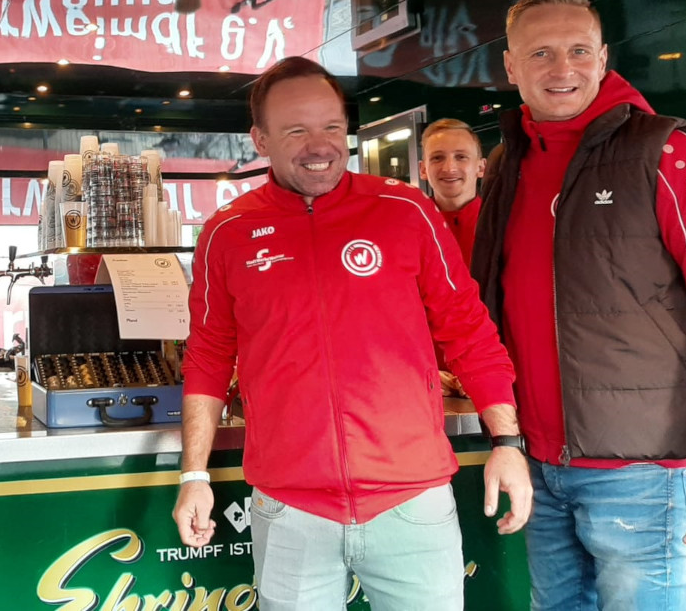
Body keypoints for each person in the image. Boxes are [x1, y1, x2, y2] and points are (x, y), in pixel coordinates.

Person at [173, 56, 530, 611]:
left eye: (332, 128)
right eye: (296, 131)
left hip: (413, 502)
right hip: (289, 509)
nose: (320, 145)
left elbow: (468, 329)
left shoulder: (405, 209)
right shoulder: (228, 232)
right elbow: (210, 355)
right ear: (260, 140)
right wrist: (194, 473)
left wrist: (505, 442)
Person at [471, 0, 686, 611]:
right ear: (511, 67)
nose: (561, 69)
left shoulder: (664, 150)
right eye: (540, 53)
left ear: (603, 58)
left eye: (577, 50)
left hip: (645, 471)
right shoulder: (507, 163)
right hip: (539, 464)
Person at [419, 117, 487, 266]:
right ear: (423, 169)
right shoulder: (411, 225)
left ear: (481, 168)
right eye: (437, 158)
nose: (449, 168)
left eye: (461, 157)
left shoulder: (502, 223)